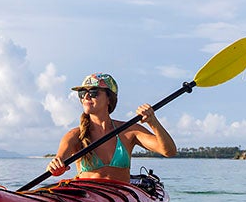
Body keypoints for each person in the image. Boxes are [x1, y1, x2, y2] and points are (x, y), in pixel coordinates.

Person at [46, 73, 176, 182]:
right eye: (82, 93)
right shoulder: (75, 135)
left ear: (109, 98)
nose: (86, 97)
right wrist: (55, 167)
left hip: (122, 198)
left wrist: (153, 122)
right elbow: (58, 161)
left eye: (93, 92)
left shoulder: (130, 131)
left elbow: (169, 151)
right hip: (88, 198)